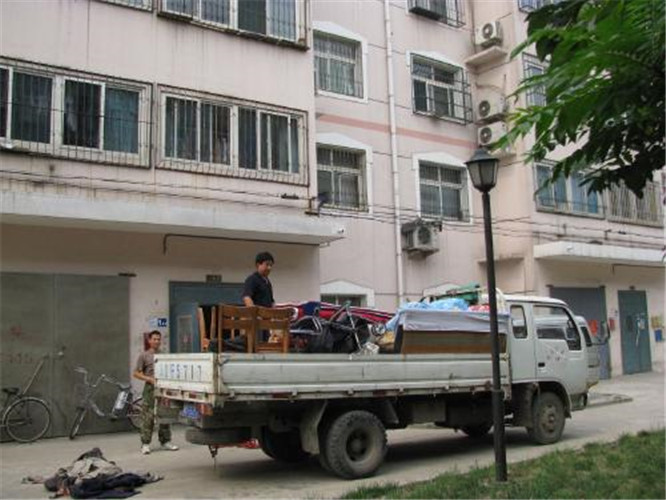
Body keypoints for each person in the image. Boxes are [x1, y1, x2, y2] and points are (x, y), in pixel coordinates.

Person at [133, 330, 178, 455]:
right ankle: (145, 444)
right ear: (149, 340)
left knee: (164, 414)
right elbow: (136, 373)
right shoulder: (144, 356)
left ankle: (165, 441)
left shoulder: (164, 355)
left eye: (159, 339)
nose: (157, 341)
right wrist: (149, 379)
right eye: (154, 339)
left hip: (163, 388)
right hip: (150, 388)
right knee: (148, 416)